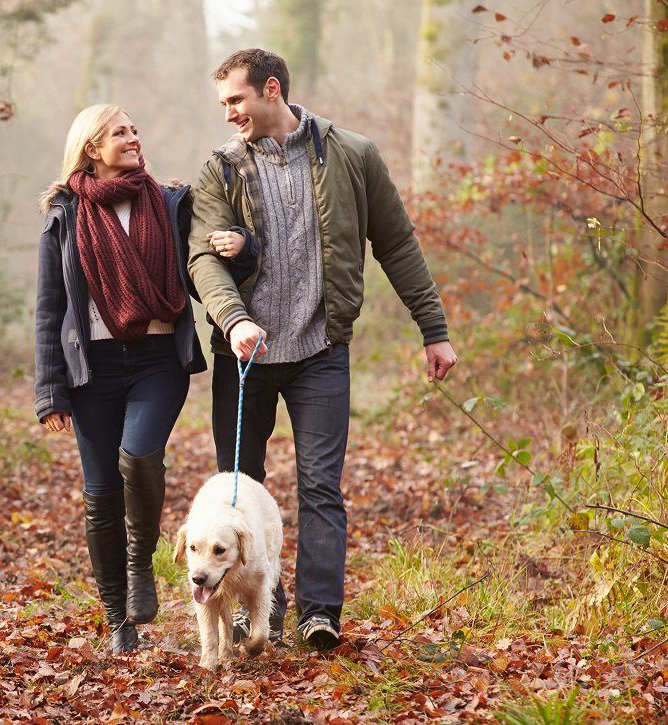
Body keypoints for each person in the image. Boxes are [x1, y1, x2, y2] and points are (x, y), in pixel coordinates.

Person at [188, 49, 459, 651]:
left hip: (320, 351)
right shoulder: (220, 170)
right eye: (224, 104)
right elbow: (202, 258)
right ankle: (251, 613)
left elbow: (397, 243)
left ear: (272, 89)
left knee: (320, 487)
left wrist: (432, 328)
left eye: (237, 100)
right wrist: (233, 320)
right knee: (240, 490)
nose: (230, 113)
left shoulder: (352, 155)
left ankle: (318, 614)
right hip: (245, 356)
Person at [34, 104, 207, 654]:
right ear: (92, 148)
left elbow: (206, 266)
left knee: (138, 455)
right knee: (101, 493)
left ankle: (141, 565)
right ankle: (118, 620)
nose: (134, 138)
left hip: (158, 359)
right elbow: (48, 308)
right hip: (93, 370)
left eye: (135, 129)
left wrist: (239, 251)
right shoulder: (64, 213)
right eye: (120, 132)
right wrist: (50, 391)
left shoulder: (170, 202)